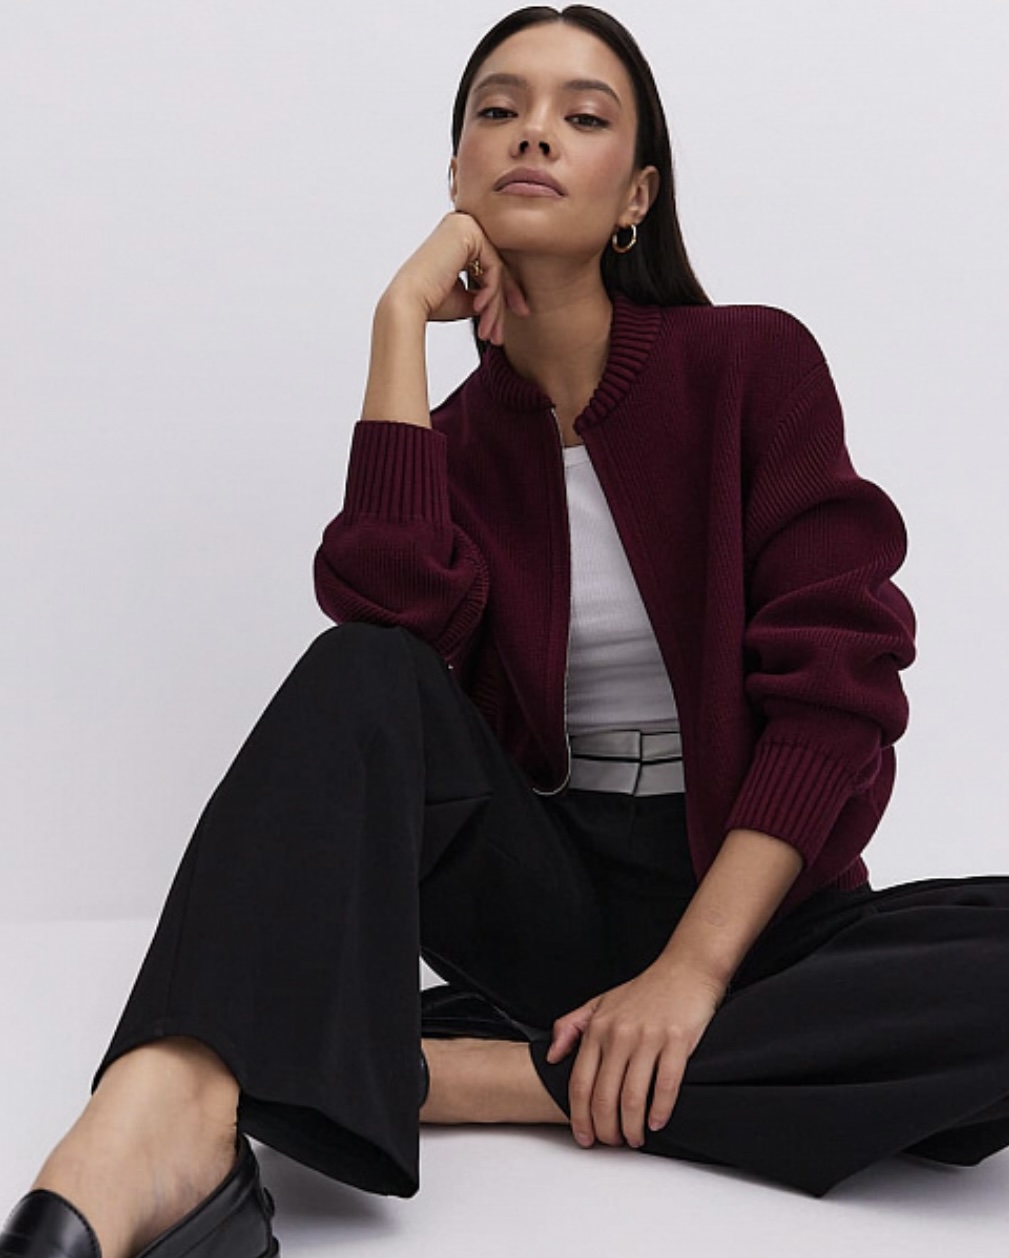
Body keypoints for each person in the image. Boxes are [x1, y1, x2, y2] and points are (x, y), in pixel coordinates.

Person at [4, 5, 1009, 1257]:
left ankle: (485, 1077)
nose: (535, 132)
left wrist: (689, 975)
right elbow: (382, 653)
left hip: (759, 914)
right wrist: (396, 326)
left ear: (635, 195)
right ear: (456, 173)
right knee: (362, 664)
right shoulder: (457, 444)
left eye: (583, 116)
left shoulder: (752, 365)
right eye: (499, 109)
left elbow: (835, 693)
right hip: (547, 912)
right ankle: (162, 1110)